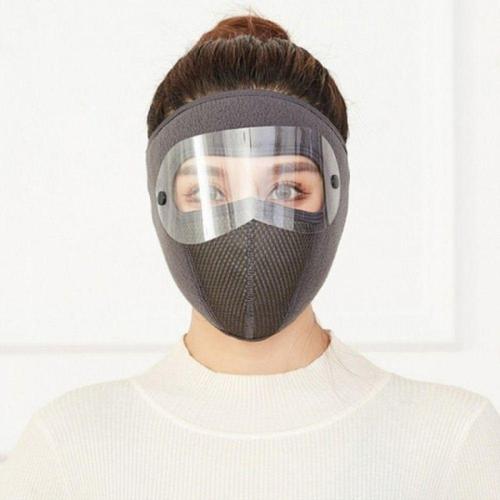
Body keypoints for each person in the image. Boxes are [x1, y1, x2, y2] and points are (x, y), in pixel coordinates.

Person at [1, 12, 500, 500]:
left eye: (285, 190)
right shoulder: (68, 452)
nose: (248, 226)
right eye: (208, 192)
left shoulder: (453, 444)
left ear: (334, 198)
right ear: (163, 203)